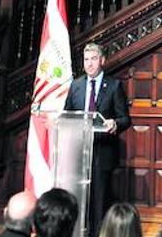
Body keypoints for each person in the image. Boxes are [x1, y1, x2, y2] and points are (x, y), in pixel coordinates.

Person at [64, 42, 131, 237]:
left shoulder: (114, 85)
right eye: (86, 60)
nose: (90, 64)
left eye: (94, 59)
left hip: (102, 155)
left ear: (102, 60)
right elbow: (67, 115)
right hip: (78, 155)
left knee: (99, 204)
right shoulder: (76, 85)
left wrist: (115, 123)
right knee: (77, 201)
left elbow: (125, 119)